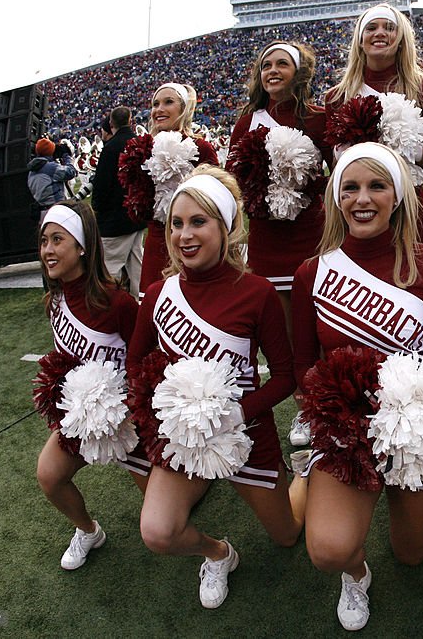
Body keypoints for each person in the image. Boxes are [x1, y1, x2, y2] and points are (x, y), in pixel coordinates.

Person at [291, 142, 423, 631]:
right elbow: (304, 370)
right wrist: (339, 417)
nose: (363, 198)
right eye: (351, 187)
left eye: (377, 186)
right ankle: (355, 574)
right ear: (337, 198)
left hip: (414, 428)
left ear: (398, 195)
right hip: (347, 430)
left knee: (412, 553)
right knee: (328, 550)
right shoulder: (311, 273)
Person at [130, 165, 303, 609]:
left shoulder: (258, 292)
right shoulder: (157, 294)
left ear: (226, 228)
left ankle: (307, 474)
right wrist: (165, 413)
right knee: (158, 532)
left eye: (199, 222)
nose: (184, 235)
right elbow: (135, 364)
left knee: (287, 536)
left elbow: (286, 376)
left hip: (244, 436)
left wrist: (237, 414)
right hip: (184, 438)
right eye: (177, 223)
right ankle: (218, 553)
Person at [227, 40, 331, 448]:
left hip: (312, 236)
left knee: (323, 329)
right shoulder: (246, 121)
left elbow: (339, 175)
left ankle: (332, 403)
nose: (272, 70)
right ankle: (307, 409)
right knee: (289, 338)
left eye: (282, 64)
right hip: (268, 241)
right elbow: (234, 179)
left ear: (299, 71)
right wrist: (260, 189)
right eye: (266, 64)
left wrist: (302, 183)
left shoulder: (318, 118)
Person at [35, 201, 149, 570]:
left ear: (82, 245)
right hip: (82, 417)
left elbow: (146, 364)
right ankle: (88, 531)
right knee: (49, 475)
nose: (48, 250)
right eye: (44, 241)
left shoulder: (118, 303)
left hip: (126, 419)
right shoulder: (56, 300)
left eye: (57, 239)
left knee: (162, 513)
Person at [325, 3, 423, 247]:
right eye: (371, 28)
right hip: (360, 206)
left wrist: (410, 148)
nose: (379, 33)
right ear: (360, 40)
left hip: (411, 204)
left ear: (401, 39)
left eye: (389, 28)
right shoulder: (337, 97)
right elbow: (335, 167)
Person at [119, 82, 219, 298]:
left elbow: (219, 200)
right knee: (156, 307)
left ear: (183, 108)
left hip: (195, 243)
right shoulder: (141, 150)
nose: (159, 109)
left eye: (168, 102)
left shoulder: (200, 148)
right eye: (155, 104)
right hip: (157, 244)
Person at [91, 106, 147, 296]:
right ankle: (139, 304)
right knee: (136, 265)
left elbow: (101, 185)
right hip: (138, 214)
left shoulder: (111, 147)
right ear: (130, 120)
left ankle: (109, 309)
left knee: (109, 268)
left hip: (115, 219)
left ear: (111, 124)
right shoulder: (140, 142)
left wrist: (97, 208)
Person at [28, 138, 78, 220]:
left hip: (43, 213)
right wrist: (67, 158)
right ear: (50, 152)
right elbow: (71, 172)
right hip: (57, 210)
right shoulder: (49, 167)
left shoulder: (32, 171)